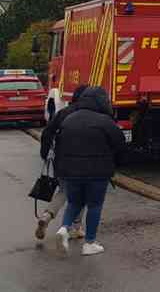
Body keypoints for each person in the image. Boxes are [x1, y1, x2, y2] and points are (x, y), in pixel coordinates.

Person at [48, 86, 125, 255]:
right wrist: (115, 164)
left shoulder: (69, 119)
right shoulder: (105, 121)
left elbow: (59, 144)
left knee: (74, 203)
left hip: (71, 171)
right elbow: (120, 143)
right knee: (94, 205)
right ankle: (89, 243)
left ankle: (64, 229)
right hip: (98, 172)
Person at [35, 84, 89, 241]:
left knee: (64, 191)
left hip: (62, 160)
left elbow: (47, 132)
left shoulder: (63, 113)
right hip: (82, 160)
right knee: (81, 194)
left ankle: (46, 216)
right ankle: (76, 228)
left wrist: (44, 153)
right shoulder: (90, 114)